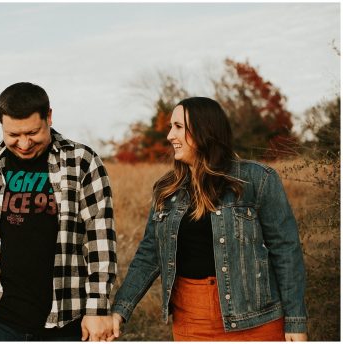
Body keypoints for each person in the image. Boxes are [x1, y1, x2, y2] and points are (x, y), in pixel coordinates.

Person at [109, 97, 308, 341]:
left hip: (257, 317)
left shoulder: (257, 179)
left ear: (205, 130)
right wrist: (119, 311)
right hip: (192, 318)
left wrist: (296, 322)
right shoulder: (166, 189)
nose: (171, 135)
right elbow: (149, 254)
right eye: (171, 127)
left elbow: (286, 250)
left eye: (179, 127)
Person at [0, 82, 117, 341]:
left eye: (32, 132)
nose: (24, 143)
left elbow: (100, 239)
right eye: (13, 135)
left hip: (65, 318)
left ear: (48, 117)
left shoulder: (82, 161)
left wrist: (97, 308)